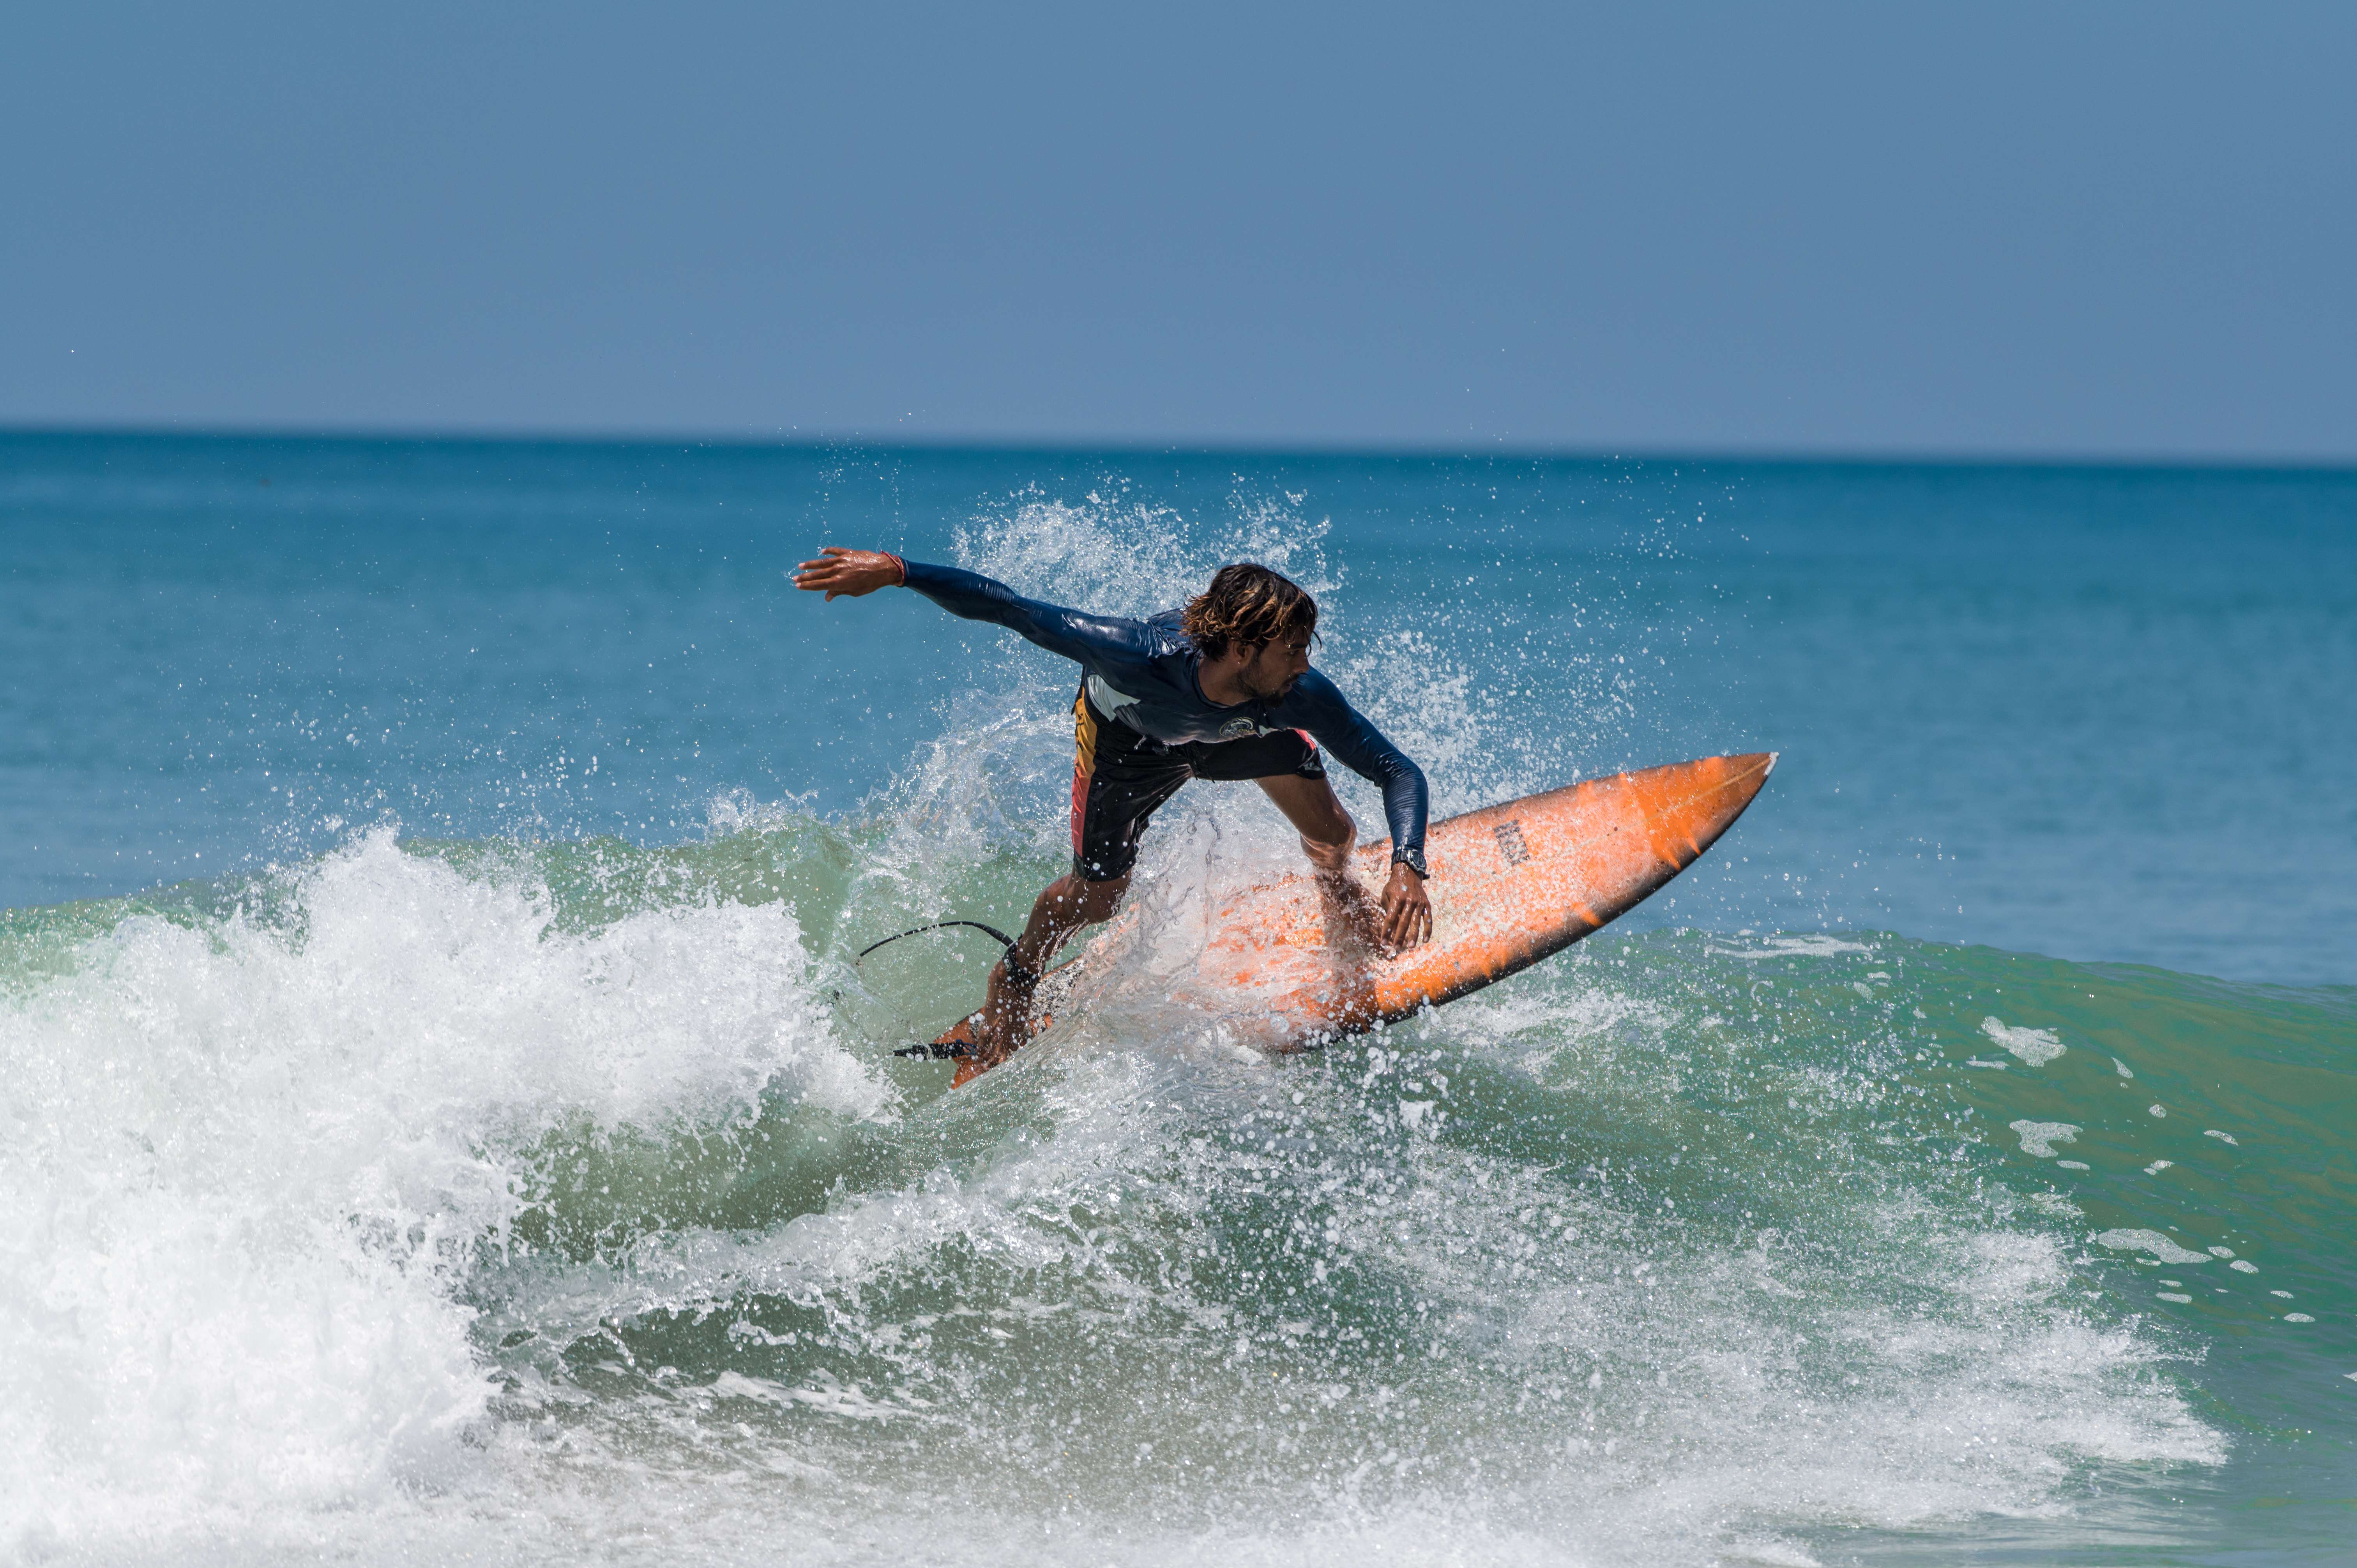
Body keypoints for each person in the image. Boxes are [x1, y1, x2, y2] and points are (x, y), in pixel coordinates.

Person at [793, 546, 1432, 1073]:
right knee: (1099, 896)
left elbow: (1397, 771)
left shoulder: (1297, 694)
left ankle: (1338, 895)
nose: (1306, 663)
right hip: (1128, 743)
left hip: (1236, 735)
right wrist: (899, 571)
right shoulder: (1135, 654)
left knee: (1335, 833)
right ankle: (1016, 976)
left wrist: (1407, 864)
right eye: (1292, 649)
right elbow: (1013, 609)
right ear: (1241, 648)